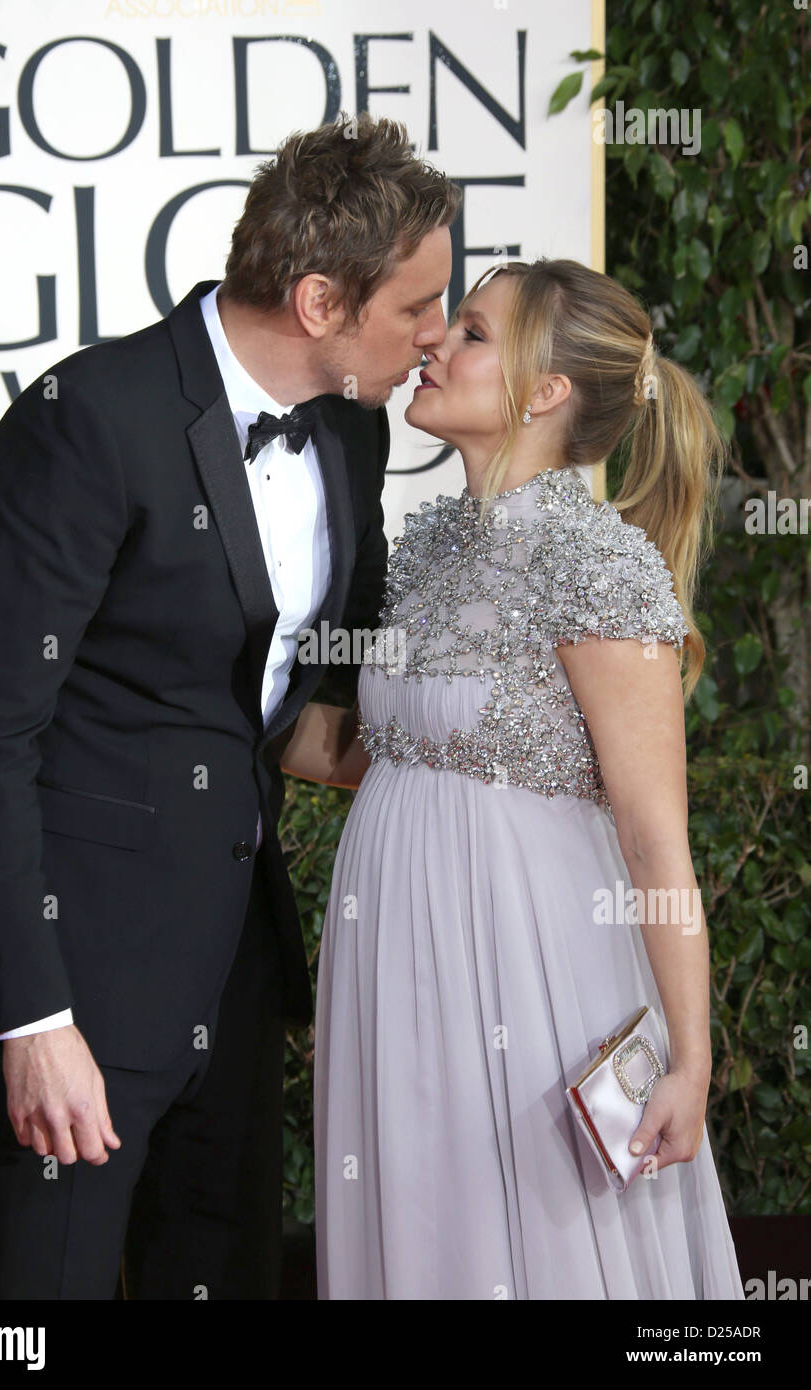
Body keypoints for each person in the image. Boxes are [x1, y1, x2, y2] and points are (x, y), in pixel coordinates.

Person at [0, 112, 460, 1299]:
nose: (435, 335)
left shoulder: (352, 430)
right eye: (416, 307)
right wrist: (30, 1017)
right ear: (320, 301)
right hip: (79, 972)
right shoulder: (89, 422)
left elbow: (293, 693)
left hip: (235, 961)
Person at [283, 257, 746, 1298]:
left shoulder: (594, 562)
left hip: (532, 969)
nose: (435, 342)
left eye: (474, 332)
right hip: (395, 964)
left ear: (545, 392)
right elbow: (376, 755)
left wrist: (688, 1062)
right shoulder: (424, 547)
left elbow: (653, 838)